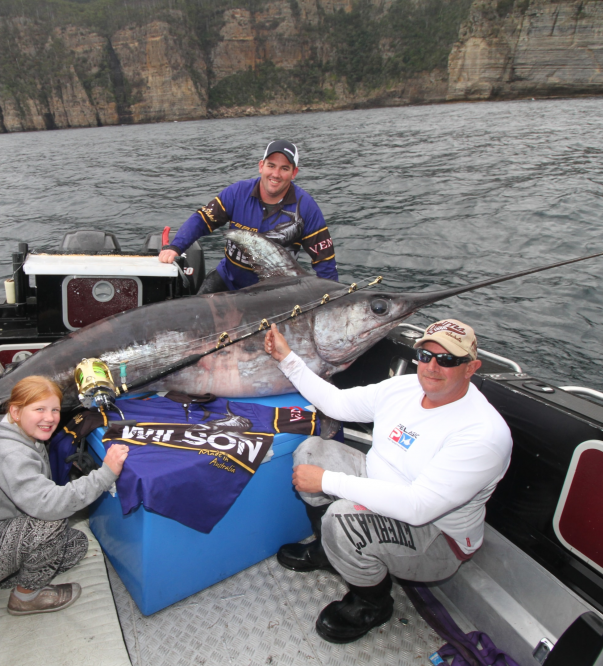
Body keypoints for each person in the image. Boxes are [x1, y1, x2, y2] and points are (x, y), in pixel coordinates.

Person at [262, 318, 512, 644]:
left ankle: (372, 604)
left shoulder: (483, 434)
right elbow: (336, 403)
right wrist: (287, 358)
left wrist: (328, 481)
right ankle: (329, 551)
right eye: (426, 356)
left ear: (471, 367)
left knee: (343, 520)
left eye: (448, 360)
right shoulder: (406, 387)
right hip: (385, 486)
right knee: (312, 451)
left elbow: (418, 506)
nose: (433, 367)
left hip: (436, 537)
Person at [0, 376, 129, 624]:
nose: (49, 418)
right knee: (52, 522)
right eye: (39, 409)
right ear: (15, 411)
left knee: (75, 546)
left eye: (55, 410)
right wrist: (106, 474)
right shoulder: (9, 453)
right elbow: (48, 505)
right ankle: (25, 598)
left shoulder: (20, 434)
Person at [159, 140, 338, 293]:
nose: (276, 174)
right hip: (228, 280)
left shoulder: (306, 208)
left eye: (284, 168)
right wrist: (175, 246)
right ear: (261, 166)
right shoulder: (237, 193)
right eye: (271, 165)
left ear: (294, 173)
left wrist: (333, 299)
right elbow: (202, 219)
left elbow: (325, 262)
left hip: (275, 293)